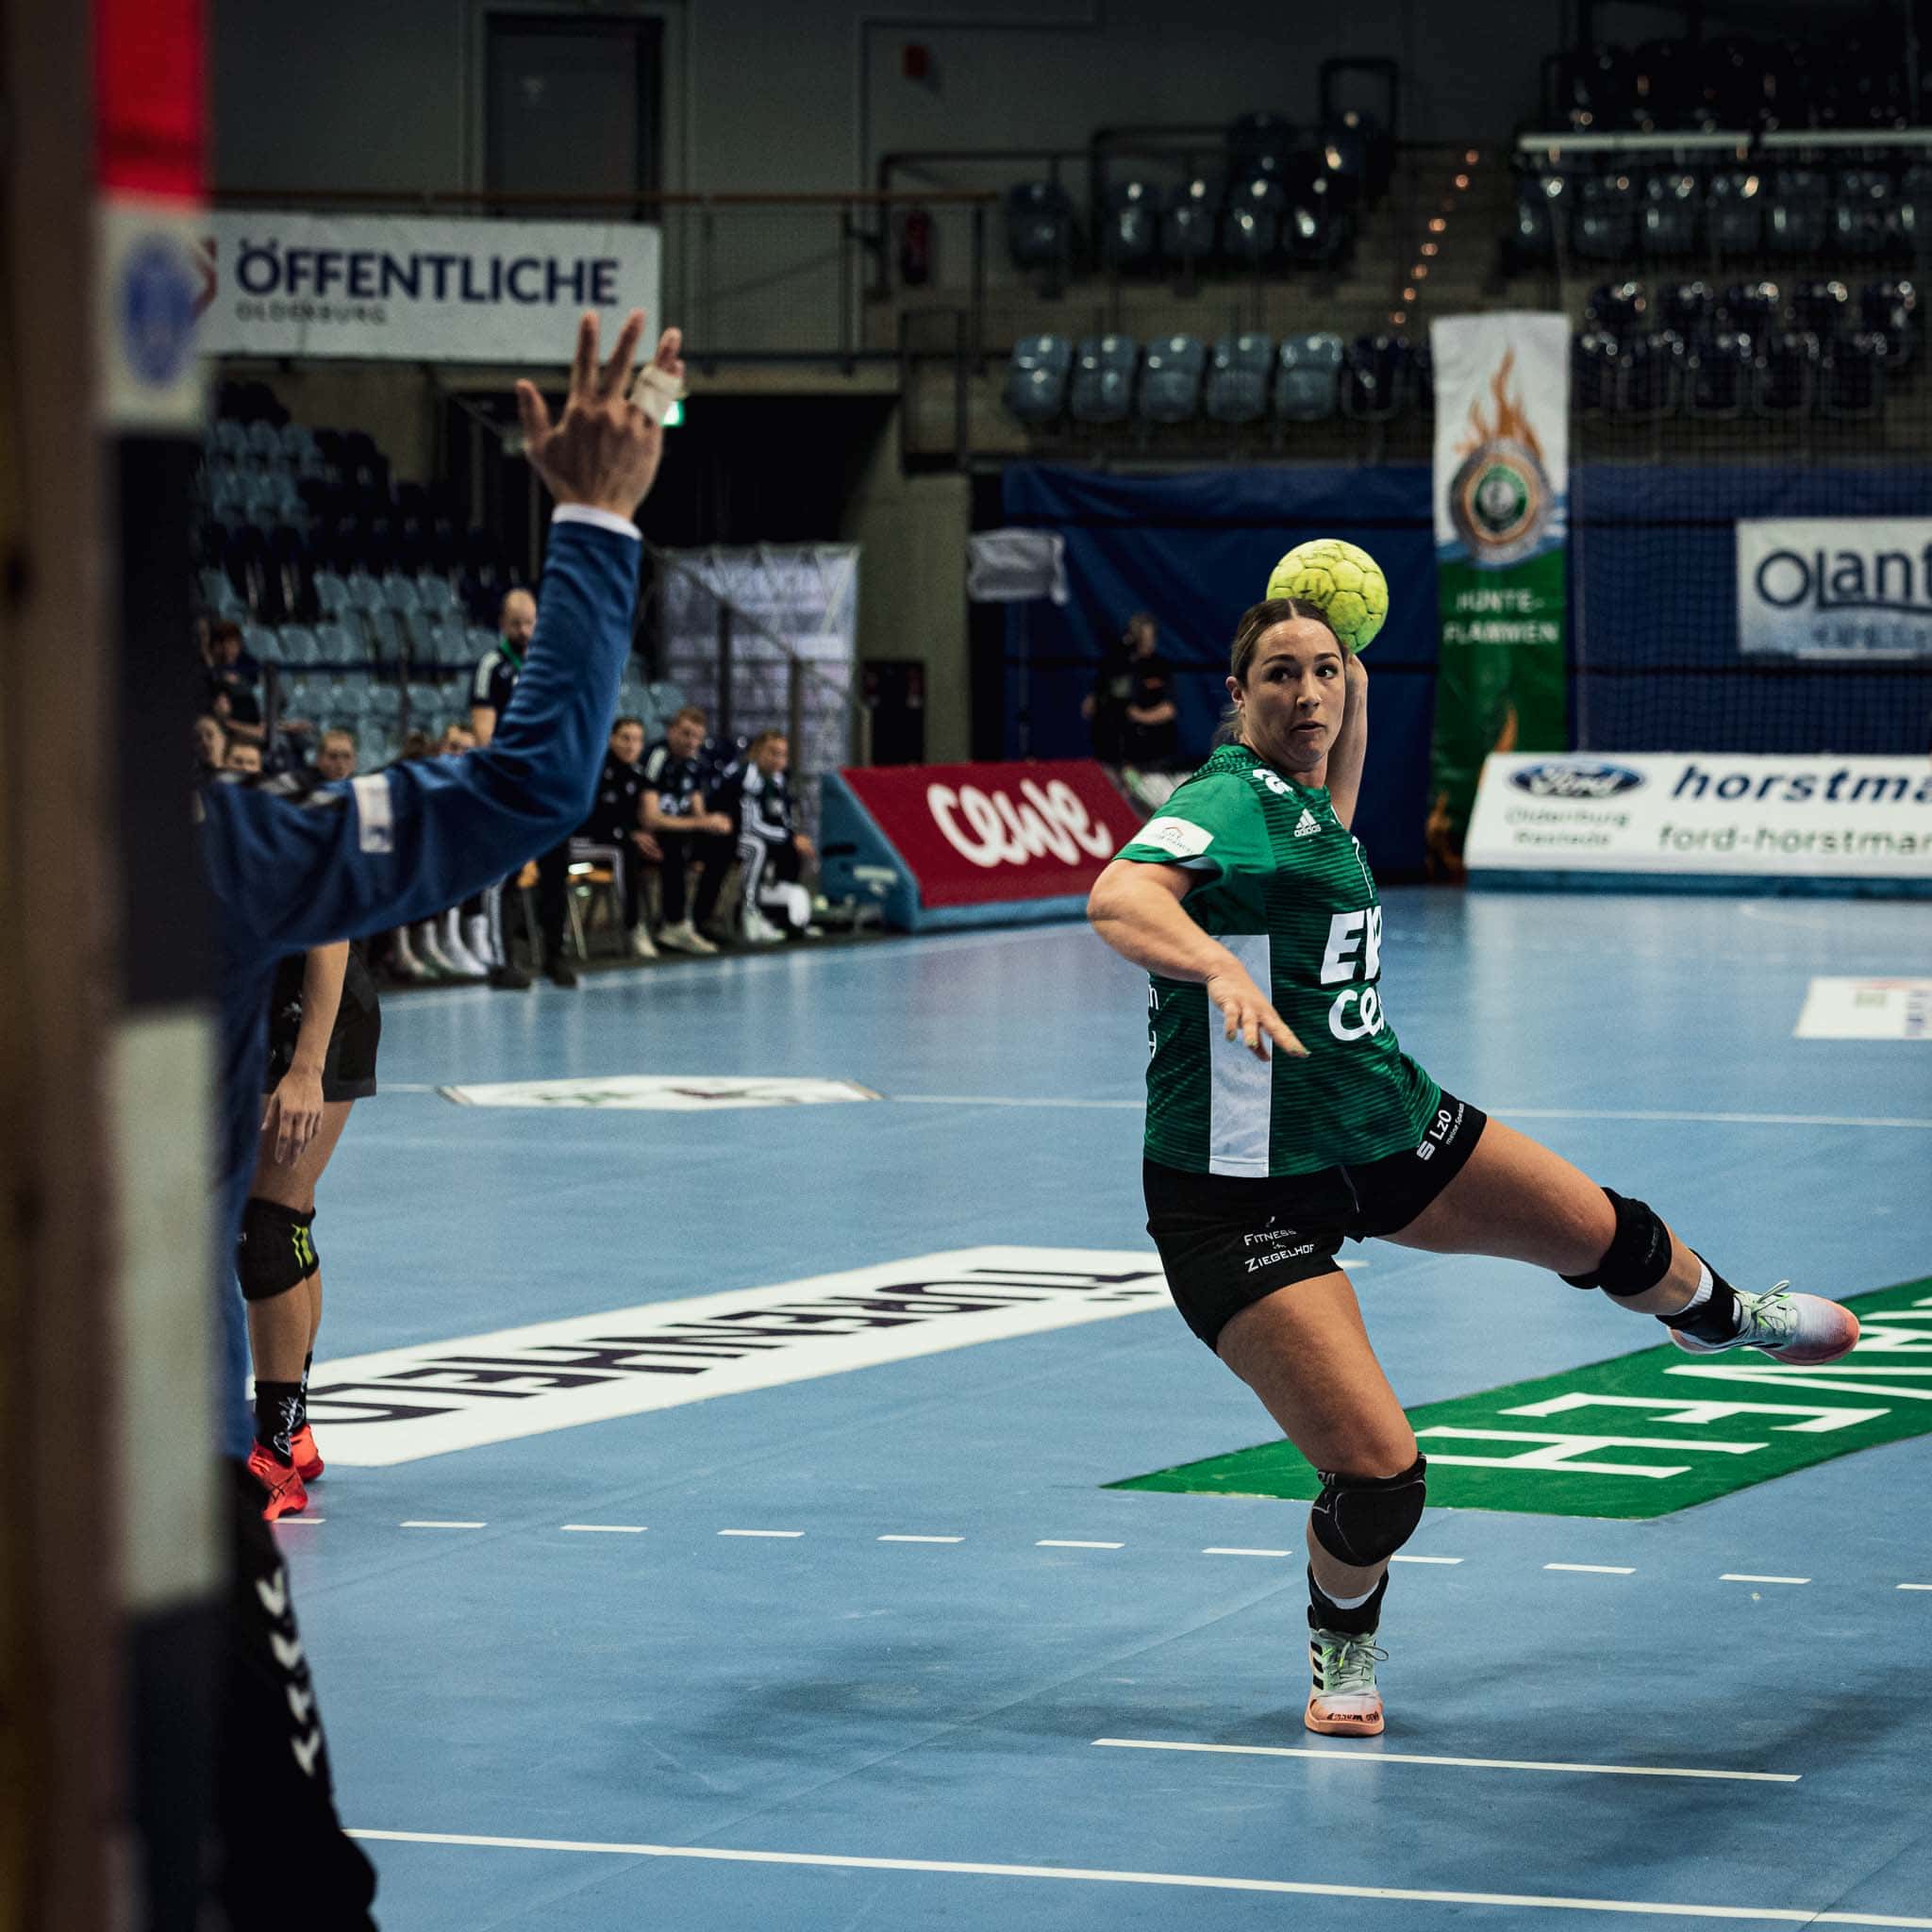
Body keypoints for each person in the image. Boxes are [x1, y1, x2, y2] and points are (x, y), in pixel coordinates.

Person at [1086, 594, 1860, 1742]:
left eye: (1324, 671)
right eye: (1279, 675)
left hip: (1387, 1130)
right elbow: (1118, 893)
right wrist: (1217, 967)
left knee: (1615, 1235)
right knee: (1379, 1480)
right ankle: (1341, 1639)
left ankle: (1719, 1316)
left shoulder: (1308, 804)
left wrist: (1347, 658)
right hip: (1238, 1195)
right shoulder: (1224, 799)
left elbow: (1338, 747)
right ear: (1236, 696)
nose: (1307, 694)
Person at [194, 306, 683, 1926]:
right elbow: (527, 785)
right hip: (140, 1503)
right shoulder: (199, 848)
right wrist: (593, 517)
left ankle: (286, 1417)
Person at [237, 938, 379, 1520]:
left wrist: (307, 1067)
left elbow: (330, 932)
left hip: (314, 1019)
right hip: (257, 1008)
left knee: (266, 1226)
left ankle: (274, 1459)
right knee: (288, 1219)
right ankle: (293, 1431)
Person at [472, 589, 573, 988]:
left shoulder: (548, 667)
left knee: (556, 874)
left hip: (549, 785)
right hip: (511, 786)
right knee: (505, 875)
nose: (524, 631)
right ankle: (503, 961)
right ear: (503, 624)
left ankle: (555, 956)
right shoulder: (492, 666)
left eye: (530, 623)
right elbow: (483, 732)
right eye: (516, 624)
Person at [640, 704, 736, 953]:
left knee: (723, 843)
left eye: (697, 737)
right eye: (686, 734)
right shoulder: (656, 757)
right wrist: (701, 822)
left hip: (678, 830)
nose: (691, 741)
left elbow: (698, 812)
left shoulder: (694, 763)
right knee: (674, 842)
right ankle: (674, 924)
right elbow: (650, 818)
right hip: (648, 835)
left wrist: (714, 823)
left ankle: (700, 920)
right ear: (671, 731)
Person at [576, 713, 662, 958]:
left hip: (618, 842)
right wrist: (629, 834)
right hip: (581, 843)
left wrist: (647, 836)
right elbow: (591, 818)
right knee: (623, 850)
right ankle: (634, 927)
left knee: (663, 847)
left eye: (637, 740)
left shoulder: (638, 774)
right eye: (625, 738)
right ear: (611, 739)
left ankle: (673, 923)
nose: (631, 745)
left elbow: (650, 815)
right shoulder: (596, 770)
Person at [722, 729, 816, 941]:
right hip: (729, 837)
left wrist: (794, 839)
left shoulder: (778, 781)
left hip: (756, 836)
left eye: (782, 755)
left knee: (792, 849)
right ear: (757, 751)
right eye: (772, 753)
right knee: (757, 847)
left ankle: (786, 917)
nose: (777, 760)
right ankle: (749, 910)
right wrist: (789, 838)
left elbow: (784, 822)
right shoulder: (748, 776)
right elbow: (750, 826)